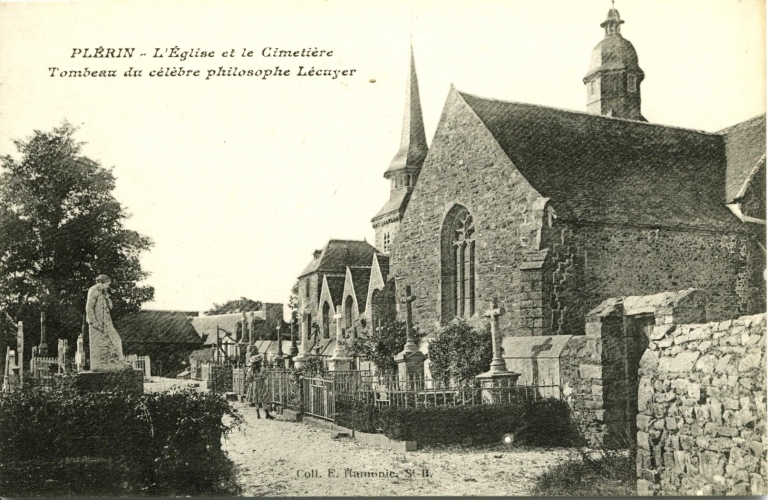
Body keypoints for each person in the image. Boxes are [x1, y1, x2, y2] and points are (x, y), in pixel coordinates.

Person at [85, 274, 130, 371]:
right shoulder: (93, 290)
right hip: (98, 324)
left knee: (116, 340)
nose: (108, 286)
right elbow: (89, 308)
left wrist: (106, 297)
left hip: (107, 323)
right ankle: (110, 362)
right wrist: (94, 323)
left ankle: (119, 360)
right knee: (107, 342)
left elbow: (111, 307)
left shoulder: (103, 293)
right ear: (102, 282)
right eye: (107, 284)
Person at [246, 350, 273, 419]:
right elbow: (265, 376)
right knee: (264, 398)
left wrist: (252, 380)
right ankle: (267, 414)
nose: (261, 362)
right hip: (261, 384)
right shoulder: (262, 369)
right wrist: (261, 377)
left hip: (254, 385)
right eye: (260, 361)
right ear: (258, 362)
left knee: (256, 399)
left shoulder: (250, 370)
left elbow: (248, 378)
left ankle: (258, 414)